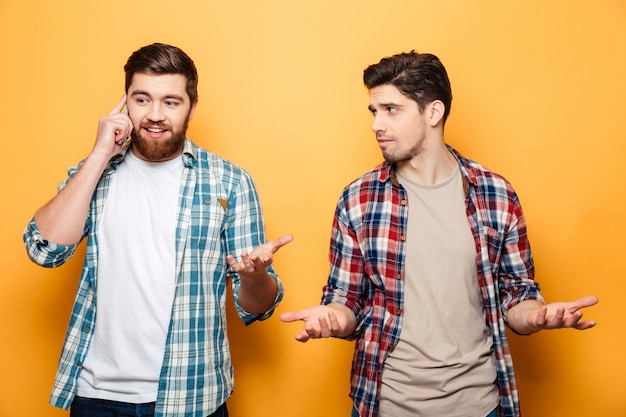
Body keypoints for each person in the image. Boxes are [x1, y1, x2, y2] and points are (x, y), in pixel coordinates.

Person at [280, 51, 598, 417]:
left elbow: (517, 295)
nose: (376, 124)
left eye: (391, 109)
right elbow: (346, 299)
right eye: (374, 111)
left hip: (479, 405)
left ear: (433, 113)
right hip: (387, 406)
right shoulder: (358, 199)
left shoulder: (496, 194)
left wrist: (538, 316)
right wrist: (333, 318)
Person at [23, 43, 292, 417]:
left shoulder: (230, 183)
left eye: (170, 102)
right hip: (95, 397)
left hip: (193, 396)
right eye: (142, 99)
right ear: (125, 103)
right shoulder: (95, 174)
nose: (154, 115)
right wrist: (99, 154)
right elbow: (44, 250)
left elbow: (256, 308)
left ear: (191, 106)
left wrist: (257, 276)